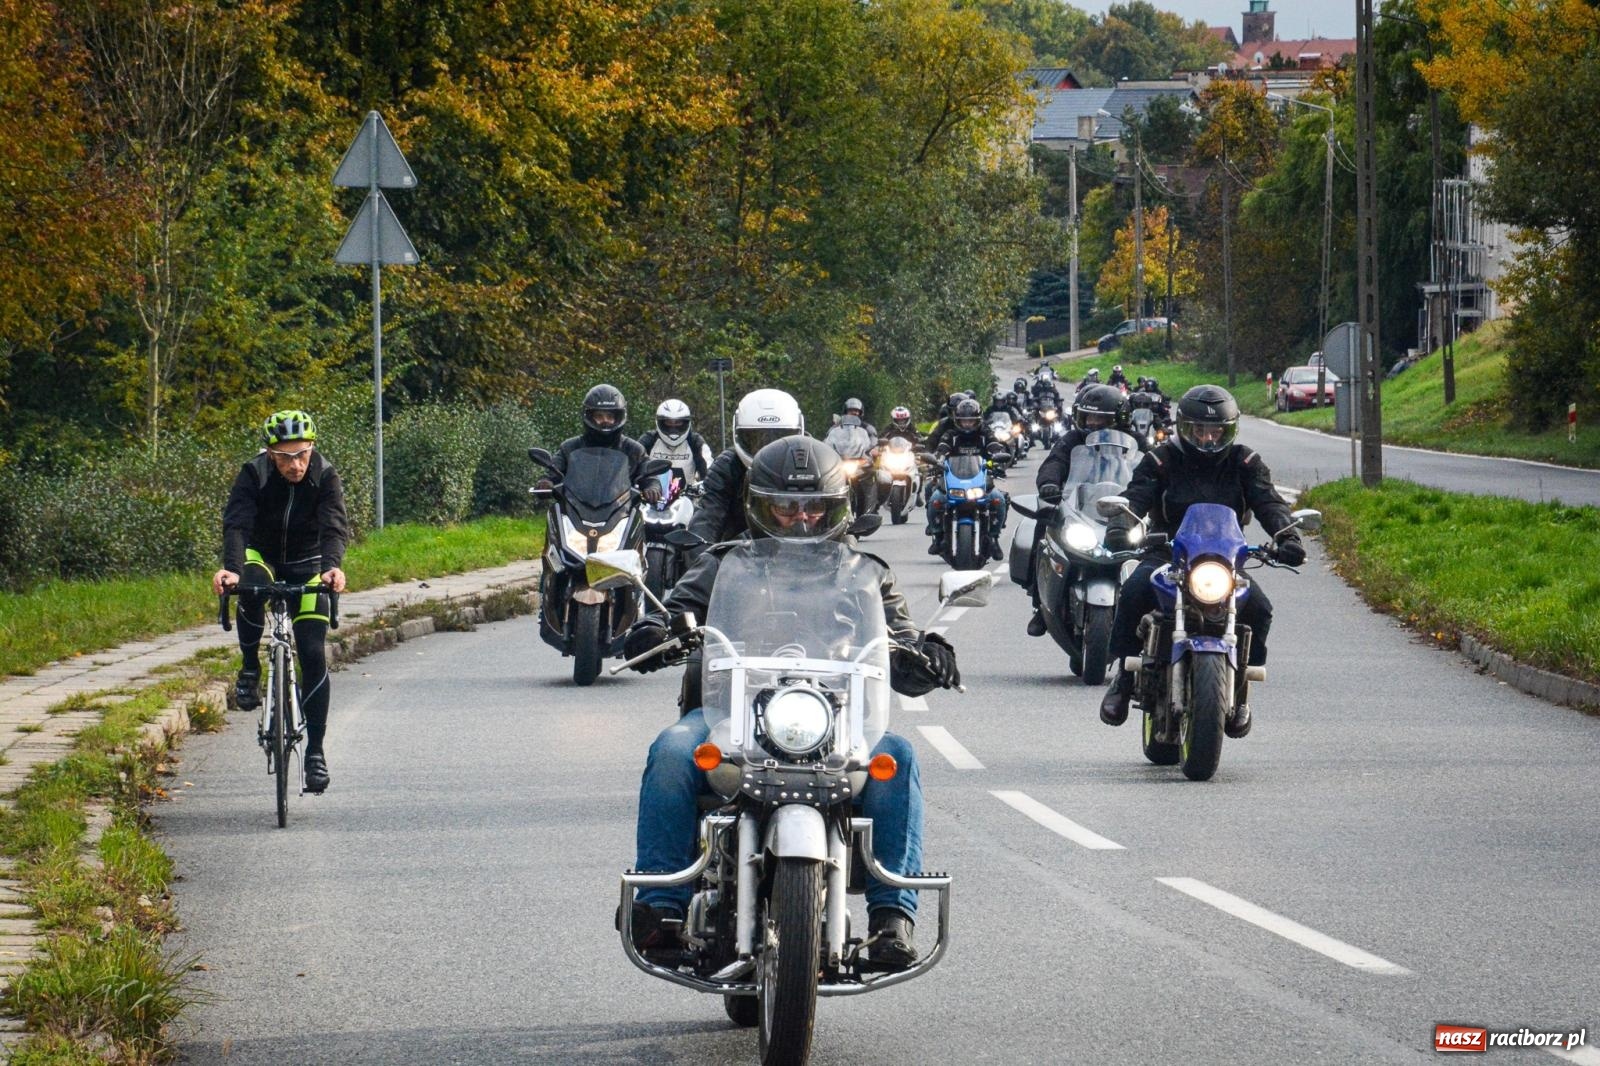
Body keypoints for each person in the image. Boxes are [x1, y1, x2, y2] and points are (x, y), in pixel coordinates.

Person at [619, 436, 960, 970]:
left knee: (897, 756)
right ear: (758, 506)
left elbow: (899, 634)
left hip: (837, 720)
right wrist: (655, 629)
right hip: (732, 715)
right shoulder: (725, 563)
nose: (802, 518)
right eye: (786, 506)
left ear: (837, 507)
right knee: (672, 749)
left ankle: (893, 918)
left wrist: (928, 652)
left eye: (815, 507)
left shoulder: (864, 572)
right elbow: (678, 608)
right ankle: (660, 906)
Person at [1097, 385, 1306, 737]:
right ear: (1184, 427)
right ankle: (1124, 675)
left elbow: (1269, 502)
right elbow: (1136, 497)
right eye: (1200, 430)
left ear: (1229, 430)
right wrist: (1121, 525)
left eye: (1216, 431)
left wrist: (1287, 536)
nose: (1208, 438)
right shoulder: (1161, 459)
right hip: (1167, 553)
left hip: (1224, 559)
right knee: (1134, 590)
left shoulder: (1246, 463)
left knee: (1259, 608)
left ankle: (1241, 687)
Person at [213, 410, 350, 794]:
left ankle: (315, 753)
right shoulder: (253, 473)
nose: (296, 465)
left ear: (312, 448)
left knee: (312, 651)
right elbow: (237, 524)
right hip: (263, 557)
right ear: (270, 453)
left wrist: (333, 568)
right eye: (286, 457)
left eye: (302, 454)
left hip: (310, 563)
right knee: (250, 586)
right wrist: (231, 569)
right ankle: (249, 668)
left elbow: (334, 526)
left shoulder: (325, 474)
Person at [1023, 384, 1145, 637]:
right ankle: (1039, 603)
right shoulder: (1072, 440)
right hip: (1082, 508)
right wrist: (1048, 484)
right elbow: (1055, 462)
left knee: (1158, 547)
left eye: (1100, 419)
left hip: (1127, 511)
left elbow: (1152, 469)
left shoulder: (1137, 443)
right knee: (1043, 525)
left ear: (1120, 419)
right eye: (1088, 417)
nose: (1092, 423)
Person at [685, 387, 804, 552]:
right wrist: (700, 554)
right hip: (738, 558)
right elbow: (707, 518)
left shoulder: (815, 465)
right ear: (739, 434)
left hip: (803, 555)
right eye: (756, 439)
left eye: (779, 439)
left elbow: (833, 522)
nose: (767, 450)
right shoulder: (727, 467)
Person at [535, 384, 660, 501]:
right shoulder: (569, 447)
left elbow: (648, 475)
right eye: (599, 416)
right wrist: (546, 482)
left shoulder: (634, 450)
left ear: (618, 417)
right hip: (575, 509)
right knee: (555, 515)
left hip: (622, 510)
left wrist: (652, 488)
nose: (605, 421)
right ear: (589, 417)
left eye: (610, 416)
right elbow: (553, 471)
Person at [925, 398, 1009, 560]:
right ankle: (938, 536)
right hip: (953, 479)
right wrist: (936, 462)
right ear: (957, 420)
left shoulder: (985, 433)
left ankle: (994, 537)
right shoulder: (951, 435)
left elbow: (994, 446)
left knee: (999, 499)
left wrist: (998, 459)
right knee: (935, 499)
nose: (968, 424)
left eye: (971, 421)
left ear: (977, 420)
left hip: (980, 479)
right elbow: (941, 450)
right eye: (964, 421)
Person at [636, 398, 714, 487]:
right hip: (651, 493)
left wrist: (708, 483)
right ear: (660, 422)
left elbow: (709, 468)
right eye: (668, 422)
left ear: (686, 422)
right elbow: (633, 464)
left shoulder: (695, 441)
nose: (673, 428)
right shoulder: (649, 440)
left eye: (678, 422)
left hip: (689, 494)